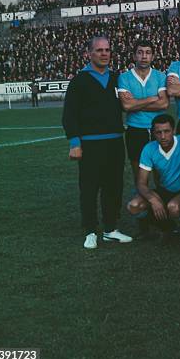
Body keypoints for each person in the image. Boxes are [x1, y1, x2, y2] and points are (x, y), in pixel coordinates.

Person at [62, 36, 132, 249]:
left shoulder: (116, 78)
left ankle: (111, 229)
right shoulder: (79, 81)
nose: (104, 53)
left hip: (115, 142)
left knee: (114, 187)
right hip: (90, 144)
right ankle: (90, 230)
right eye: (99, 50)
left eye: (107, 50)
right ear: (89, 53)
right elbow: (69, 115)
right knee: (90, 188)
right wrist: (75, 143)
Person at [118, 41, 169, 238]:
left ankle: (164, 221)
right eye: (140, 52)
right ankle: (144, 225)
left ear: (153, 56)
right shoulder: (124, 77)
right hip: (136, 131)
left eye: (148, 52)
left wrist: (137, 103)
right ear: (134, 55)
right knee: (140, 177)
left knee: (161, 174)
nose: (144, 56)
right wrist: (151, 99)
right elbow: (126, 107)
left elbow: (164, 104)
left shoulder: (160, 76)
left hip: (158, 130)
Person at [131, 114, 180, 243]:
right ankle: (169, 228)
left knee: (173, 206)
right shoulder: (149, 148)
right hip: (165, 189)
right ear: (153, 133)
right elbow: (141, 183)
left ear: (173, 131)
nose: (163, 136)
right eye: (158, 132)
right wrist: (153, 200)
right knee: (134, 206)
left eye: (167, 131)